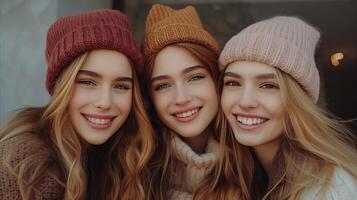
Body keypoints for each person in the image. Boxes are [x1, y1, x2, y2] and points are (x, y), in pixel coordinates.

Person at [0, 9, 156, 200]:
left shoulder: (129, 155)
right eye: (88, 82)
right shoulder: (23, 163)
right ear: (61, 86)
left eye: (121, 86)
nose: (105, 102)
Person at [219, 16, 357, 199]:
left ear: (299, 101)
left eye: (268, 86)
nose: (245, 101)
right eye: (233, 83)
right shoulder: (243, 173)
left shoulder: (330, 189)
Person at [141, 4, 222, 199]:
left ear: (217, 79)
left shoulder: (257, 160)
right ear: (149, 97)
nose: (182, 98)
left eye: (195, 77)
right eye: (163, 85)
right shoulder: (132, 170)